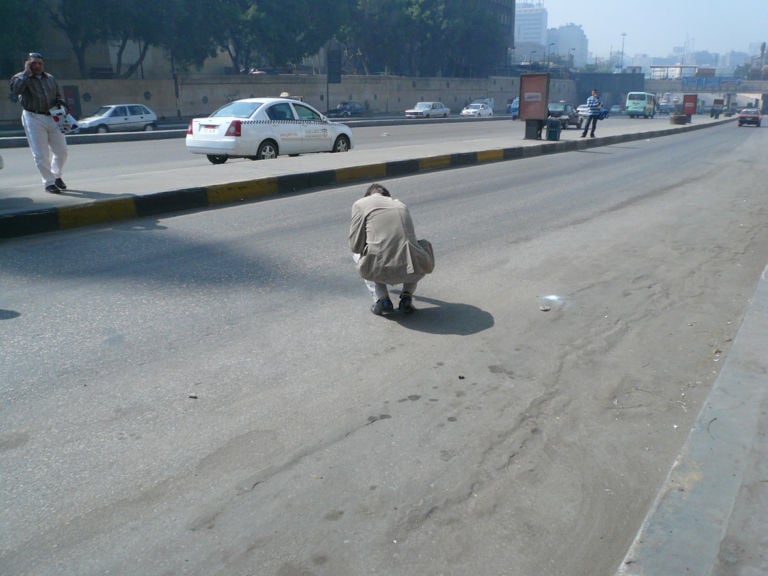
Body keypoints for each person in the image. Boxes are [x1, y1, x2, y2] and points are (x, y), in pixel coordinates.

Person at [349, 183, 435, 315]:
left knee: (358, 254)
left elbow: (355, 245)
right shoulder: (401, 206)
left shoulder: (360, 204)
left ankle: (382, 300)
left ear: (367, 196)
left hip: (380, 271)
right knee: (419, 247)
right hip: (412, 270)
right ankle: (407, 296)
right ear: (387, 196)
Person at [9, 52, 69, 194]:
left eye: (39, 63)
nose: (37, 66)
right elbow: (16, 90)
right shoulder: (20, 78)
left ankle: (56, 175)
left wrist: (61, 103)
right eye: (33, 63)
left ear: (43, 64)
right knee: (41, 154)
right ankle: (49, 182)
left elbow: (57, 94)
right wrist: (26, 73)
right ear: (27, 63)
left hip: (54, 116)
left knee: (62, 151)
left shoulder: (50, 78)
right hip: (33, 117)